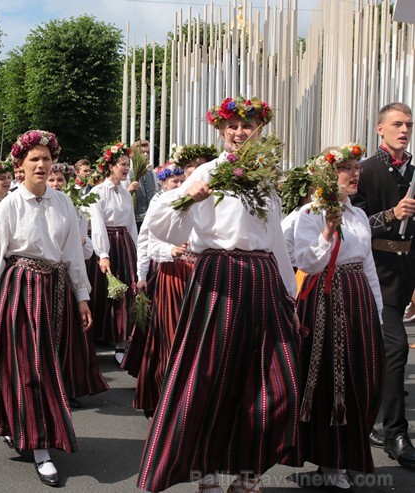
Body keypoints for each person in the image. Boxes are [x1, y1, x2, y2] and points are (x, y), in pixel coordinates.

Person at [137, 97, 300, 492]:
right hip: (219, 276)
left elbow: (276, 241)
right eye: (233, 126)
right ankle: (206, 473)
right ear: (220, 131)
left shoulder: (266, 178)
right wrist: (191, 197)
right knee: (209, 376)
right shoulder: (207, 173)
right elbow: (159, 224)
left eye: (249, 126)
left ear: (260, 130)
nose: (241, 132)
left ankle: (248, 473)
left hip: (262, 279)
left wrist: (289, 295)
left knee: (277, 383)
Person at [0, 130, 92, 487]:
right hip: (20, 290)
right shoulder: (10, 204)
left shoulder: (64, 203)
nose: (41, 164)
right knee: (29, 366)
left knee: (48, 366)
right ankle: (40, 447)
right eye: (33, 159)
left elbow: (71, 255)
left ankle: (25, 428)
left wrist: (81, 296)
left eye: (46, 158)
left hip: (54, 291)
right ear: (20, 166)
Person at [294, 144, 384, 489]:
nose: (355, 173)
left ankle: (344, 451)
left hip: (358, 298)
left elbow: (368, 266)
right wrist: (327, 232)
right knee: (334, 378)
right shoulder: (311, 213)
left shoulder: (359, 215)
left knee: (365, 374)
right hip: (326, 301)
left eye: (356, 167)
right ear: (328, 174)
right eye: (346, 167)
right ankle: (331, 459)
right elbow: (307, 262)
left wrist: (376, 312)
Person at [351, 102, 415, 468]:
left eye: (408, 124)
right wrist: (392, 214)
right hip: (373, 273)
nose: (404, 130)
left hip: (406, 273)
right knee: (396, 351)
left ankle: (371, 422)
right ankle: (395, 433)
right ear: (380, 129)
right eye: (397, 124)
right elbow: (353, 224)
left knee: (381, 356)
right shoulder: (364, 171)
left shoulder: (414, 171)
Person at [47, 162, 109, 408]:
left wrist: (82, 241)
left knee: (68, 335)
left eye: (59, 180)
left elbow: (85, 252)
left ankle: (68, 385)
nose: (55, 184)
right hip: (46, 276)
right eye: (52, 181)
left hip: (68, 277)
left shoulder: (77, 209)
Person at [131, 163, 189, 419]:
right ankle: (162, 395)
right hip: (170, 274)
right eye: (174, 181)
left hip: (197, 275)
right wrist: (142, 275)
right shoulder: (161, 203)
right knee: (168, 337)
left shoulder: (196, 201)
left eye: (181, 180)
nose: (178, 185)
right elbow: (146, 240)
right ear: (164, 183)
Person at [87, 142, 139, 364]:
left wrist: (137, 251)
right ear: (110, 166)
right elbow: (97, 224)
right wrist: (103, 253)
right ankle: (103, 337)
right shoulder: (98, 192)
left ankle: (121, 340)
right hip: (108, 244)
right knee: (106, 292)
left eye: (128, 164)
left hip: (124, 244)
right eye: (122, 164)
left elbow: (131, 224)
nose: (126, 168)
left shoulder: (125, 194)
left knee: (125, 291)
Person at [127, 139, 157, 227]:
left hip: (150, 220)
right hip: (134, 222)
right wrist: (129, 190)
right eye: (142, 152)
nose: (146, 155)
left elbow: (156, 193)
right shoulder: (128, 175)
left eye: (147, 152)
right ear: (133, 155)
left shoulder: (152, 173)